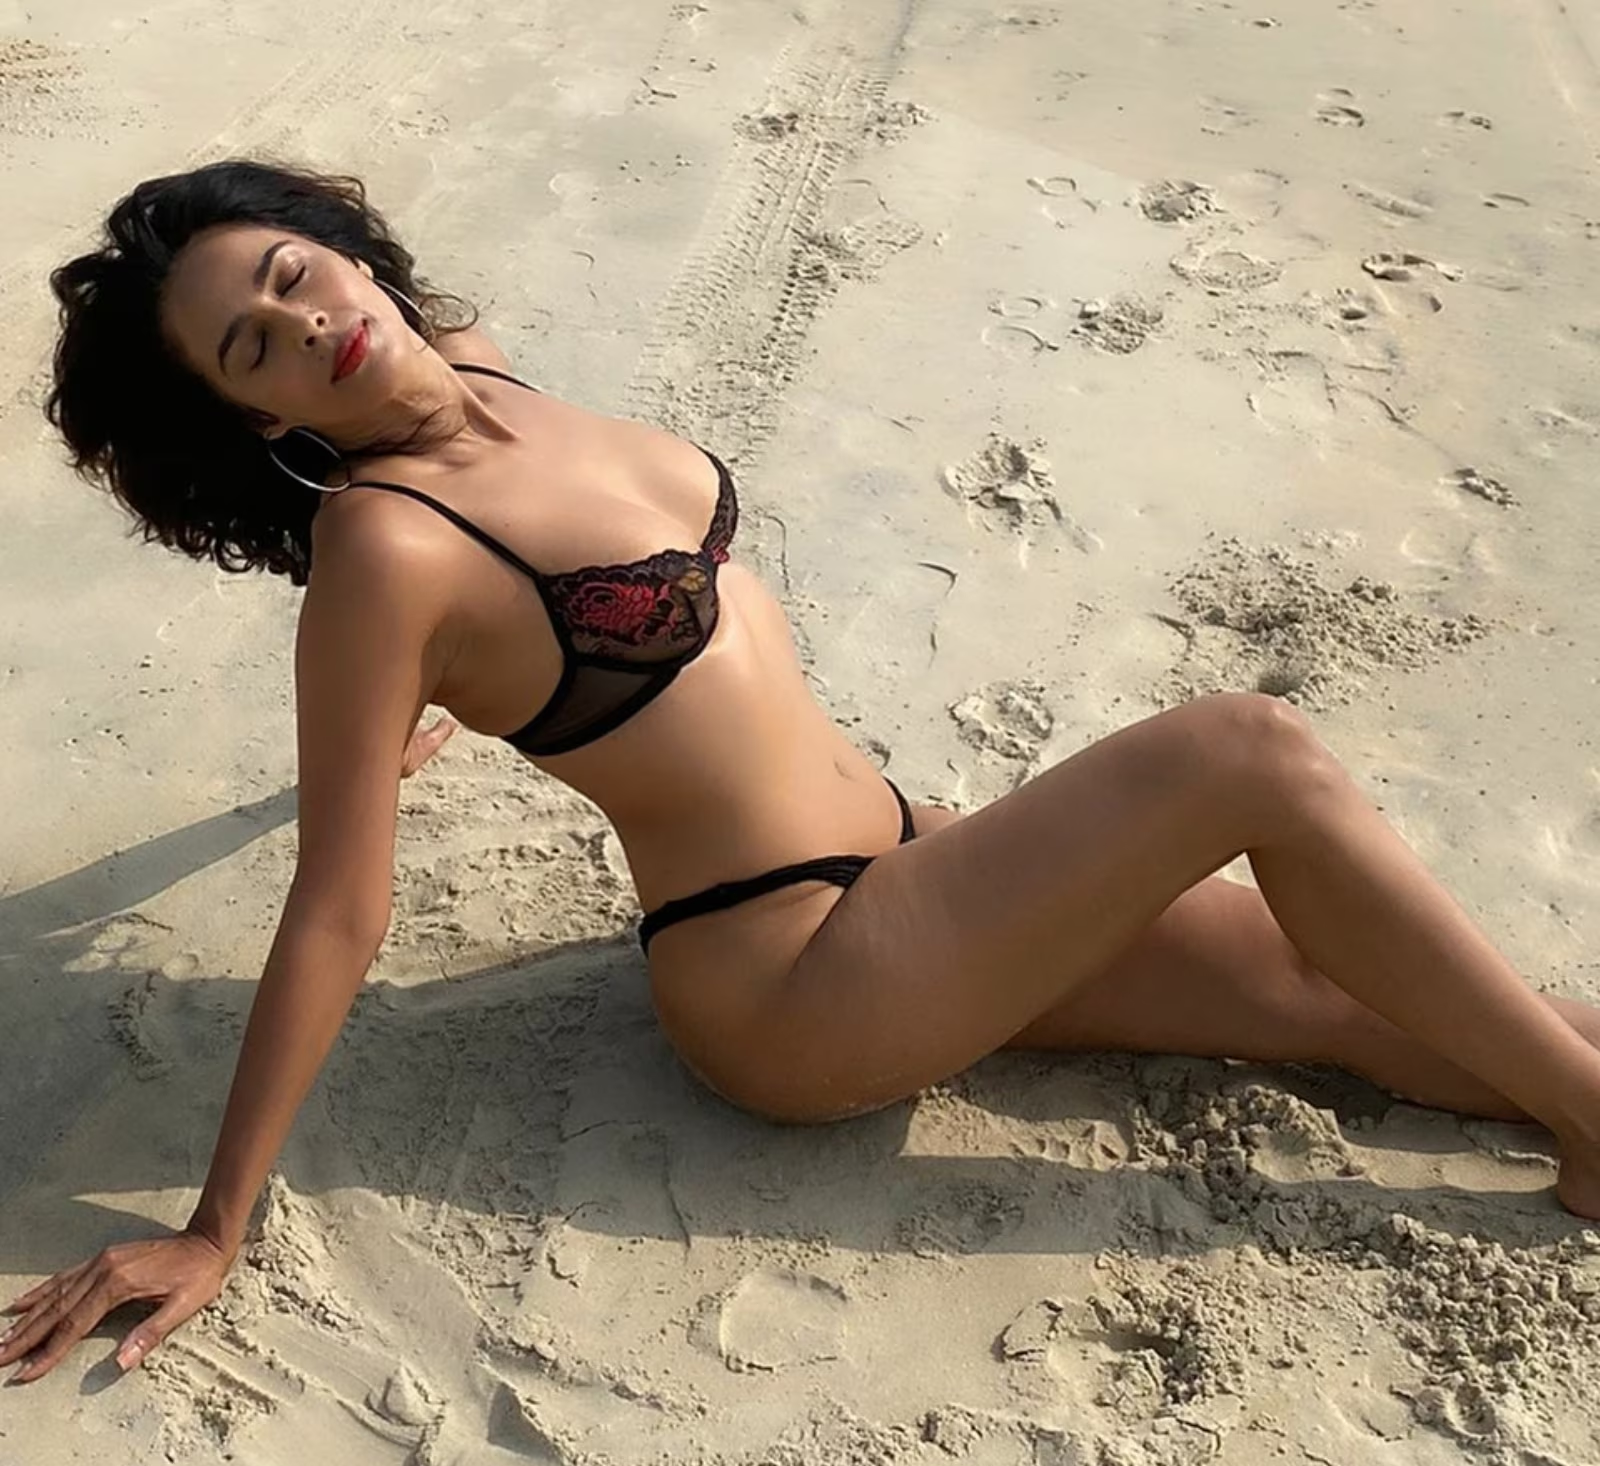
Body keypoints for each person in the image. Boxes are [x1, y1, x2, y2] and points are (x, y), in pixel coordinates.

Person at [5, 158, 1598, 1388]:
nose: (305, 324)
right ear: (255, 418)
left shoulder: (482, 371)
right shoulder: (383, 552)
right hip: (793, 980)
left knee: (1340, 996)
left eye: (293, 274)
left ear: (344, 247)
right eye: (255, 347)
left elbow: (529, 618)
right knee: (1247, 754)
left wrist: (429, 711)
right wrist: (214, 1226)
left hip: (910, 859)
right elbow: (338, 907)